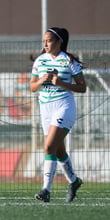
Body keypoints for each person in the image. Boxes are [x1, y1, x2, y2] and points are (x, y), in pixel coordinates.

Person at [30, 27, 86, 203]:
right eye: (44, 41)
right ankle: (74, 181)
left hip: (64, 107)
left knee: (48, 147)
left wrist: (61, 83)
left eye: (49, 40)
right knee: (58, 150)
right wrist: (40, 80)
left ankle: (46, 190)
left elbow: (82, 87)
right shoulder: (40, 61)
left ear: (59, 41)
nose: (45, 44)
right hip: (45, 109)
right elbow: (32, 87)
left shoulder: (68, 61)